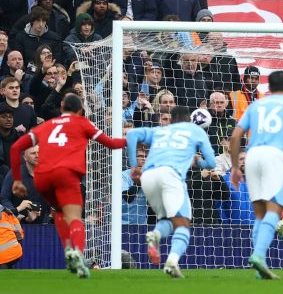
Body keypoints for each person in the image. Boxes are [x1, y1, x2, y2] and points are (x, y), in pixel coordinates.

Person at [9, 93, 126, 278]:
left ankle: (69, 252)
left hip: (42, 177)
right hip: (66, 175)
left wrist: (17, 179)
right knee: (75, 219)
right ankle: (78, 254)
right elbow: (111, 144)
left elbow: (16, 148)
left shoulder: (46, 126)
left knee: (59, 211)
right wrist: (130, 139)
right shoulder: (82, 123)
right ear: (80, 110)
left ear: (62, 107)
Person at [228, 70, 283, 280]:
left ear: (268, 87)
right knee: (274, 209)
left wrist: (235, 167)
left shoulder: (256, 106)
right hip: (275, 156)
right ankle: (259, 256)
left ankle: (258, 270)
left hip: (252, 156)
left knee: (260, 213)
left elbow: (236, 136)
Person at [126, 105, 216, 278]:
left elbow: (131, 135)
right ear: (189, 119)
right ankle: (172, 262)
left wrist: (133, 166)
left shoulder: (161, 130)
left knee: (168, 219)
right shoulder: (195, 131)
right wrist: (199, 163)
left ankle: (155, 234)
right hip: (170, 175)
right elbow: (211, 163)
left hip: (149, 177)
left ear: (172, 119)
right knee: (183, 223)